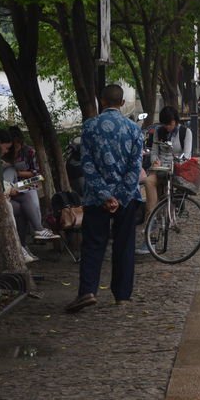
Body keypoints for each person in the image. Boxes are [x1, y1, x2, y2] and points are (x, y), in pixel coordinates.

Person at [66, 84, 144, 313]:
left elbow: (87, 166)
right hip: (127, 197)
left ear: (102, 100)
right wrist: (118, 196)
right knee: (124, 245)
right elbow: (134, 168)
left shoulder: (89, 127)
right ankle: (122, 295)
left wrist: (105, 195)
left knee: (93, 244)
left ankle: (88, 291)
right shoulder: (133, 129)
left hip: (95, 198)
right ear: (121, 103)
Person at [0, 129, 57, 264]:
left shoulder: (27, 152)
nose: (9, 151)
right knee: (25, 202)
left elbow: (36, 174)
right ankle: (32, 235)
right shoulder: (0, 162)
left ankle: (25, 242)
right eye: (8, 147)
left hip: (14, 189)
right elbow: (6, 188)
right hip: (7, 194)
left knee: (27, 198)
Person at [142, 106, 193, 221]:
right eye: (164, 124)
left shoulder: (185, 132)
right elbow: (154, 151)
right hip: (159, 168)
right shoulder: (158, 131)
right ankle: (152, 215)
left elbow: (187, 155)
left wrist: (176, 163)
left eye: (169, 124)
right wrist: (155, 161)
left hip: (176, 169)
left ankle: (170, 212)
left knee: (169, 185)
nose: (167, 127)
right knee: (149, 181)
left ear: (175, 121)